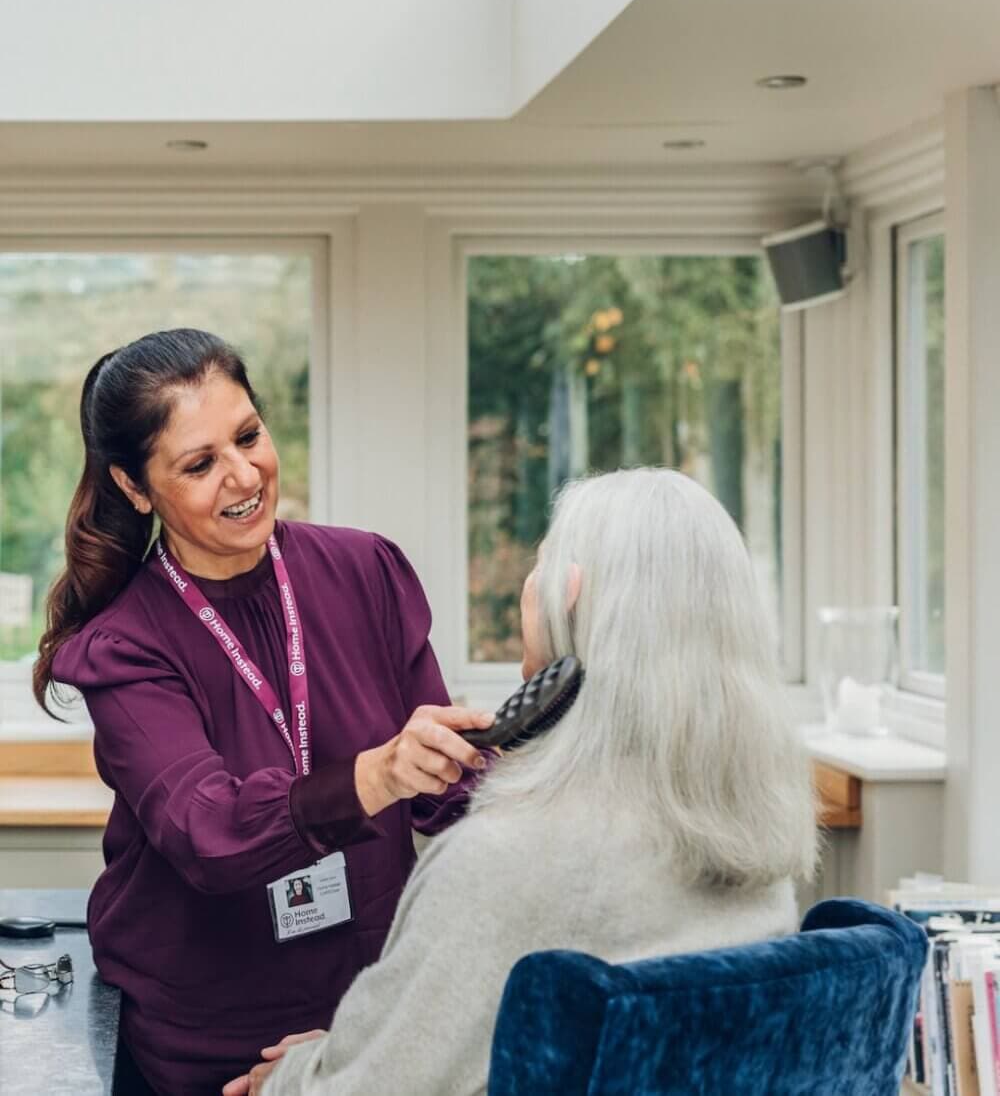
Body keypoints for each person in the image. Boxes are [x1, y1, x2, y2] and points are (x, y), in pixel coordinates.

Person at [227, 466, 819, 1096]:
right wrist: (352, 1049)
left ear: (569, 595)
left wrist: (291, 1077)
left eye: (538, 565)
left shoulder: (501, 861)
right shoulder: (757, 848)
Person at [35, 328, 493, 1096]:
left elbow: (447, 793)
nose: (244, 474)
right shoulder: (124, 645)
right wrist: (376, 775)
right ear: (136, 487)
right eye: (199, 463)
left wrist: (516, 760)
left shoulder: (366, 571)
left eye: (249, 436)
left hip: (362, 1030)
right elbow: (208, 833)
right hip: (205, 1049)